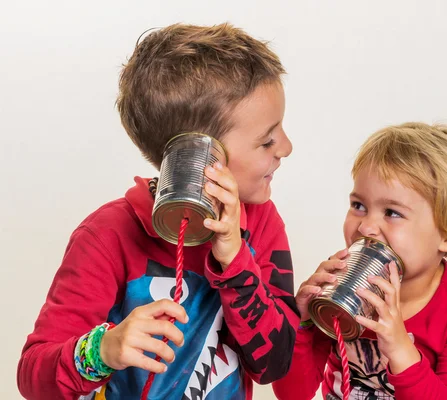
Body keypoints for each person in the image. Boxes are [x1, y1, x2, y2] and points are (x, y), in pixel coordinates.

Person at [18, 23, 299, 400]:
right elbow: (33, 378)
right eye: (266, 140)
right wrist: (101, 351)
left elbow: (274, 365)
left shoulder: (261, 222)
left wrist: (234, 260)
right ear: (200, 154)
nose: (286, 147)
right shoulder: (108, 234)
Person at [273, 122, 447, 400]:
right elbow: (292, 394)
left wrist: (401, 350)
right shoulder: (341, 286)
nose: (366, 227)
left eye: (392, 212)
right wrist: (303, 323)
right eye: (359, 206)